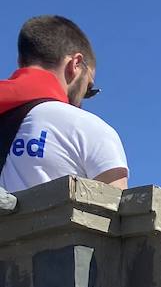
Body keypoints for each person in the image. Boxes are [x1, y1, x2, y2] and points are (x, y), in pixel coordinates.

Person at [1, 16, 127, 193]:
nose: (82, 101)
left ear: (21, 63)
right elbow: (121, 215)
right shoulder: (88, 129)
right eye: (88, 88)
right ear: (75, 64)